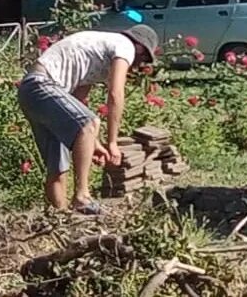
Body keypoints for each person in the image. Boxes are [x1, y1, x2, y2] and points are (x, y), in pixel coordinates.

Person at [17, 24, 157, 214]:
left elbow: (77, 103)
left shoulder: (97, 51)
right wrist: (112, 142)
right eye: (143, 59)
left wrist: (95, 144)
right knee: (90, 122)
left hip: (30, 92)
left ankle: (58, 219)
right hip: (43, 85)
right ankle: (82, 196)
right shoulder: (125, 46)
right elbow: (116, 94)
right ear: (140, 47)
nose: (138, 65)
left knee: (58, 167)